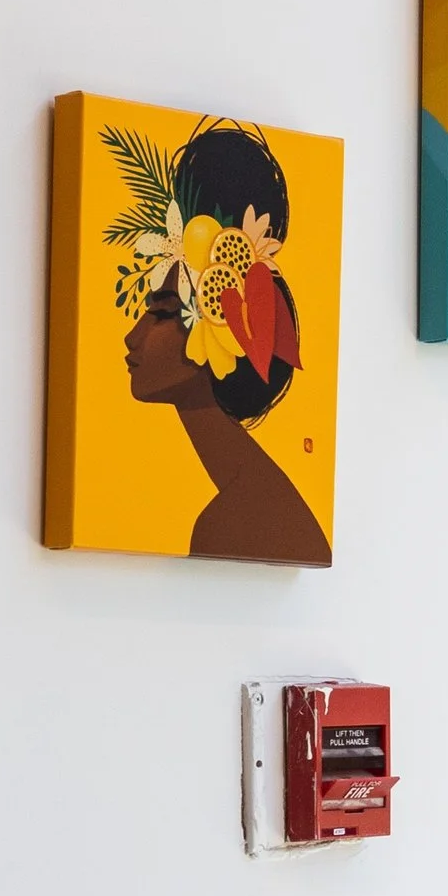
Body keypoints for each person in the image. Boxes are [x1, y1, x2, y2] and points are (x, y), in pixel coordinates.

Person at [119, 119, 329, 564]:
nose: (132, 335)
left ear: (221, 326)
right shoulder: (250, 502)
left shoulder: (235, 522)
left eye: (162, 313)